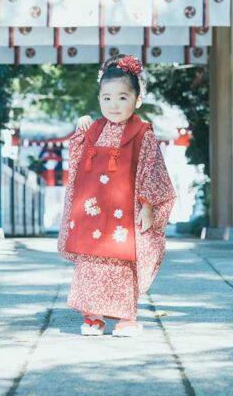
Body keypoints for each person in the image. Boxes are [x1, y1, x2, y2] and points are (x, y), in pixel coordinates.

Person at [57, 54, 177, 338]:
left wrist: (148, 206)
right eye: (106, 98)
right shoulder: (94, 129)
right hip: (93, 210)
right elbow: (76, 161)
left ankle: (126, 318)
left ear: (137, 100)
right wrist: (81, 131)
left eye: (122, 98)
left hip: (124, 210)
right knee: (92, 262)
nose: (113, 105)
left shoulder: (142, 133)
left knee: (123, 261)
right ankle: (93, 317)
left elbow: (152, 168)